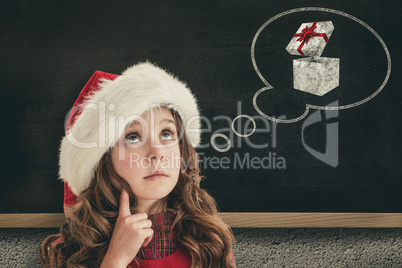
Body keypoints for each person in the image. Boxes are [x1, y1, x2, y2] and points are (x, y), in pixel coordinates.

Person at [40, 62, 236, 267]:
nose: (157, 153)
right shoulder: (68, 252)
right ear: (102, 159)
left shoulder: (210, 244)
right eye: (133, 137)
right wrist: (115, 259)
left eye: (167, 134)